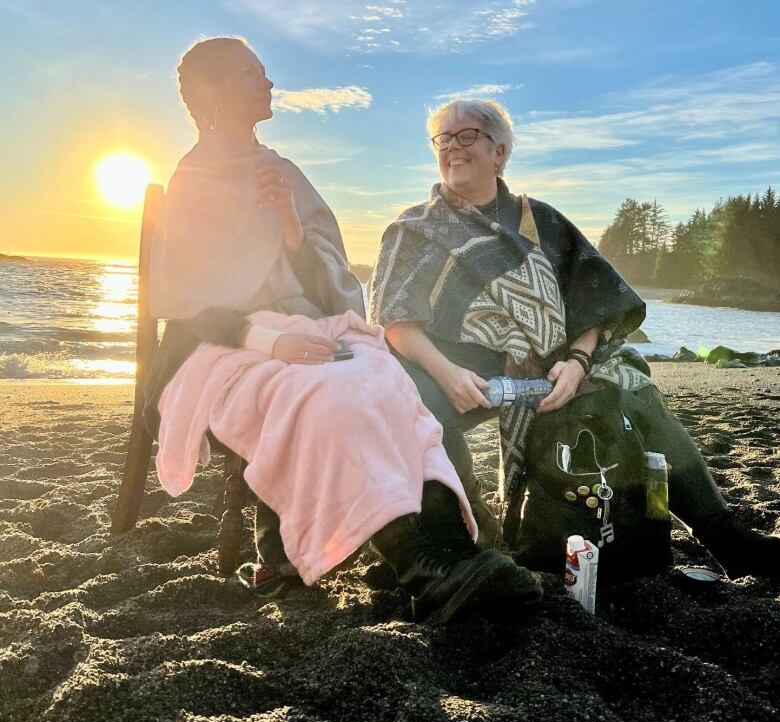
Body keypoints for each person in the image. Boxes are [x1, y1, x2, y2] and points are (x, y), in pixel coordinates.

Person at [143, 39, 542, 624]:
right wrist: (270, 341)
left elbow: (329, 281)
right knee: (325, 393)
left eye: (264, 70)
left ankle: (449, 549)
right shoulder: (192, 181)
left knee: (387, 377)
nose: (267, 82)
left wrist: (288, 228)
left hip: (305, 325)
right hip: (223, 345)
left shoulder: (283, 173)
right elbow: (184, 302)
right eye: (249, 74)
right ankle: (420, 567)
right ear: (210, 94)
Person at [368, 97, 779, 581]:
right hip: (459, 372)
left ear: (499, 151)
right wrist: (446, 372)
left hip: (552, 369)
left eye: (467, 136)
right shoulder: (414, 229)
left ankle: (726, 537)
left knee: (635, 391)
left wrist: (579, 362)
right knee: (411, 405)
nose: (452, 148)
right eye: (443, 139)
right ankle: (467, 544)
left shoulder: (540, 220)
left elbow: (595, 297)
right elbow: (395, 320)